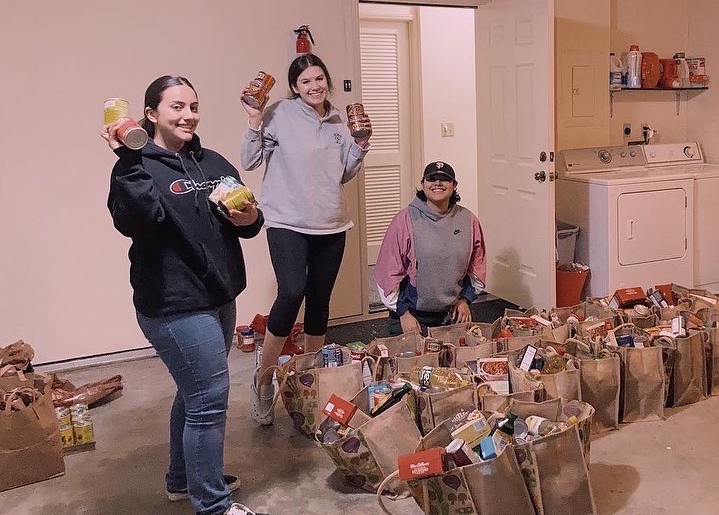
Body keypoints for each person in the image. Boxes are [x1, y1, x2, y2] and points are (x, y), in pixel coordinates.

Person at [104, 76, 265, 515]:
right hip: (173, 303)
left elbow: (247, 219)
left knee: (195, 393)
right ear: (151, 115)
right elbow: (137, 222)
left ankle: (182, 479)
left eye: (193, 105)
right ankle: (213, 505)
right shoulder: (136, 168)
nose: (188, 114)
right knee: (210, 398)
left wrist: (250, 216)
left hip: (219, 294)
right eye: (176, 107)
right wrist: (128, 158)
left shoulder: (211, 161)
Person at [240, 54, 370, 425]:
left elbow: (342, 174)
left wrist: (360, 144)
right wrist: (253, 120)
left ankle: (313, 376)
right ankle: (264, 377)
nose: (314, 86)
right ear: (295, 88)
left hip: (330, 222)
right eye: (305, 82)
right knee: (292, 291)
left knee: (319, 299)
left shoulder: (339, 122)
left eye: (319, 79)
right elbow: (249, 161)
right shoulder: (279, 113)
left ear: (327, 80)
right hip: (286, 219)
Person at [374, 161, 487, 335]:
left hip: (452, 312)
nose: (438, 183)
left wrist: (465, 299)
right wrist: (402, 313)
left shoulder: (468, 220)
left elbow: (477, 266)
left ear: (454, 185)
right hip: (412, 315)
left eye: (445, 179)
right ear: (423, 184)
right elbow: (387, 272)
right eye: (432, 179)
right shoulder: (404, 219)